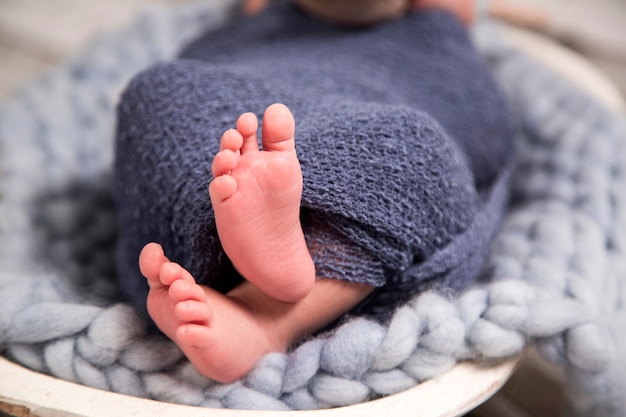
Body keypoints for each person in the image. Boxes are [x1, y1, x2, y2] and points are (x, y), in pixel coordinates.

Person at [113, 0, 516, 384]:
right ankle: (254, 251)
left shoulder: (430, 33)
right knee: (163, 88)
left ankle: (268, 311)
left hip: (363, 119)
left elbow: (474, 121)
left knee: (411, 148)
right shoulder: (268, 18)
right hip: (246, 126)